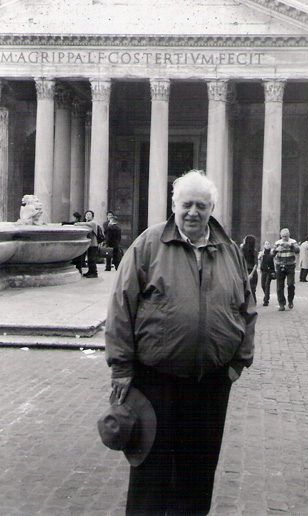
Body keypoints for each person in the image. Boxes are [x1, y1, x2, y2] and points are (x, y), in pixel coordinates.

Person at [104, 170, 257, 516]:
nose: (193, 212)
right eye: (186, 204)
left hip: (211, 382)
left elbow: (247, 308)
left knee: (198, 474)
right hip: (155, 378)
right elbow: (120, 307)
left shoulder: (229, 251)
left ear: (211, 208)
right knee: (150, 471)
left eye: (201, 206)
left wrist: (237, 363)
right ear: (173, 205)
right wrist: (121, 367)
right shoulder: (148, 244)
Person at [271, 228, 300, 311]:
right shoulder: (277, 243)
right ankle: (281, 303)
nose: (284, 238)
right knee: (280, 286)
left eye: (286, 236)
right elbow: (272, 254)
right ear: (280, 236)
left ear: (289, 235)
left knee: (290, 284)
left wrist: (290, 246)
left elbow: (298, 250)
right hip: (280, 265)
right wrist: (276, 250)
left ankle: (290, 300)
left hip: (290, 265)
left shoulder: (293, 242)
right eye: (283, 236)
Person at [74, 210, 99, 278]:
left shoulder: (93, 223)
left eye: (89, 214)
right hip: (90, 244)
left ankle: (94, 272)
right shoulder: (87, 223)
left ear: (92, 216)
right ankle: (90, 271)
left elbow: (85, 224)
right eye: (86, 215)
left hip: (93, 244)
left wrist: (77, 223)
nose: (88, 216)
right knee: (89, 259)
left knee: (92, 259)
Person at [240, 234, 258, 304]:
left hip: (244, 271)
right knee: (252, 289)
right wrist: (251, 274)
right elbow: (256, 264)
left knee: (246, 288)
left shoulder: (242, 250)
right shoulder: (254, 251)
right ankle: (253, 303)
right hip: (251, 272)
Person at [258, 240, 275, 306]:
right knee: (262, 285)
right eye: (266, 244)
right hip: (263, 270)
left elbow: (274, 260)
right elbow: (258, 258)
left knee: (267, 284)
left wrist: (273, 272)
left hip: (270, 270)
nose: (267, 245)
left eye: (268, 244)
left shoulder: (272, 252)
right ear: (264, 245)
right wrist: (261, 255)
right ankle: (267, 295)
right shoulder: (262, 252)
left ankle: (266, 300)